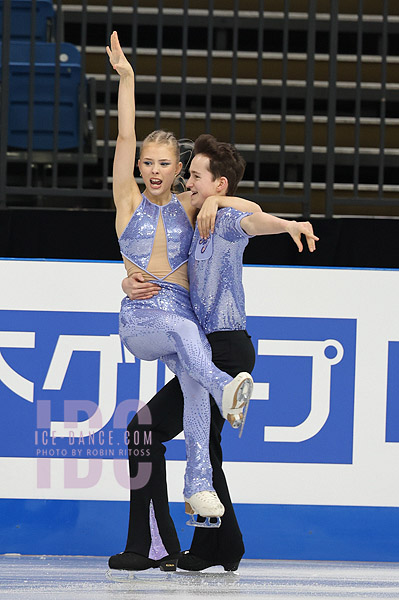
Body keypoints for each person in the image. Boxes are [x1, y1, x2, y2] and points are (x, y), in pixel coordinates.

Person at [113, 134, 318, 573]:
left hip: (224, 349)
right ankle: (217, 546)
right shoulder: (191, 220)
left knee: (149, 432)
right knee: (198, 444)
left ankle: (162, 545)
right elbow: (156, 266)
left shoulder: (223, 222)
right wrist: (127, 283)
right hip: (204, 347)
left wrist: (287, 225)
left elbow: (254, 219)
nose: (187, 181)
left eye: (196, 176)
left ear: (219, 184)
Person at [105, 31, 259, 556]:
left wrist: (220, 202)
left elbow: (228, 193)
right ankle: (224, 386)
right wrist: (127, 80)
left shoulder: (191, 207)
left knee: (191, 393)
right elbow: (123, 139)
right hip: (141, 320)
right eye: (146, 161)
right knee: (186, 340)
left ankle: (199, 492)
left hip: (185, 327)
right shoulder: (127, 200)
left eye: (164, 163)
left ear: (177, 171)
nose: (152, 169)